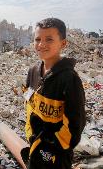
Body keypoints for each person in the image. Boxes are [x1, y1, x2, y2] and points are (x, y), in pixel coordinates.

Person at [24, 18, 86, 169]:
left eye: (49, 39)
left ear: (63, 44)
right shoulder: (33, 72)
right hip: (35, 144)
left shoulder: (69, 79)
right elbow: (28, 105)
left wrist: (52, 146)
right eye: (37, 39)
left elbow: (75, 124)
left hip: (57, 153)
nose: (41, 44)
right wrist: (30, 135)